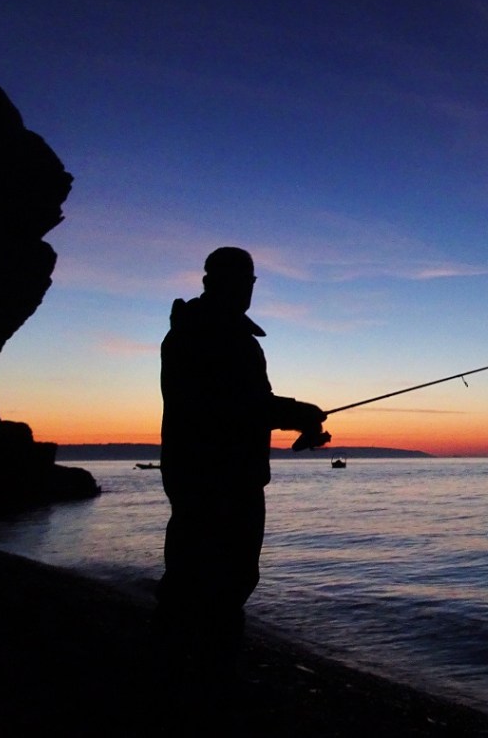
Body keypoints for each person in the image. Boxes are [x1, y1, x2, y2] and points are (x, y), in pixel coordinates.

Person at [155, 246, 326, 681]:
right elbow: (236, 405)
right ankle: (202, 676)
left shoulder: (199, 331)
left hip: (202, 474)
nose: (244, 290)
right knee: (223, 579)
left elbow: (243, 404)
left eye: (248, 282)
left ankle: (180, 666)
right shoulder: (211, 336)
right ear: (212, 283)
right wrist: (300, 413)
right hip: (221, 479)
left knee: (195, 574)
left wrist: (295, 415)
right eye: (237, 282)